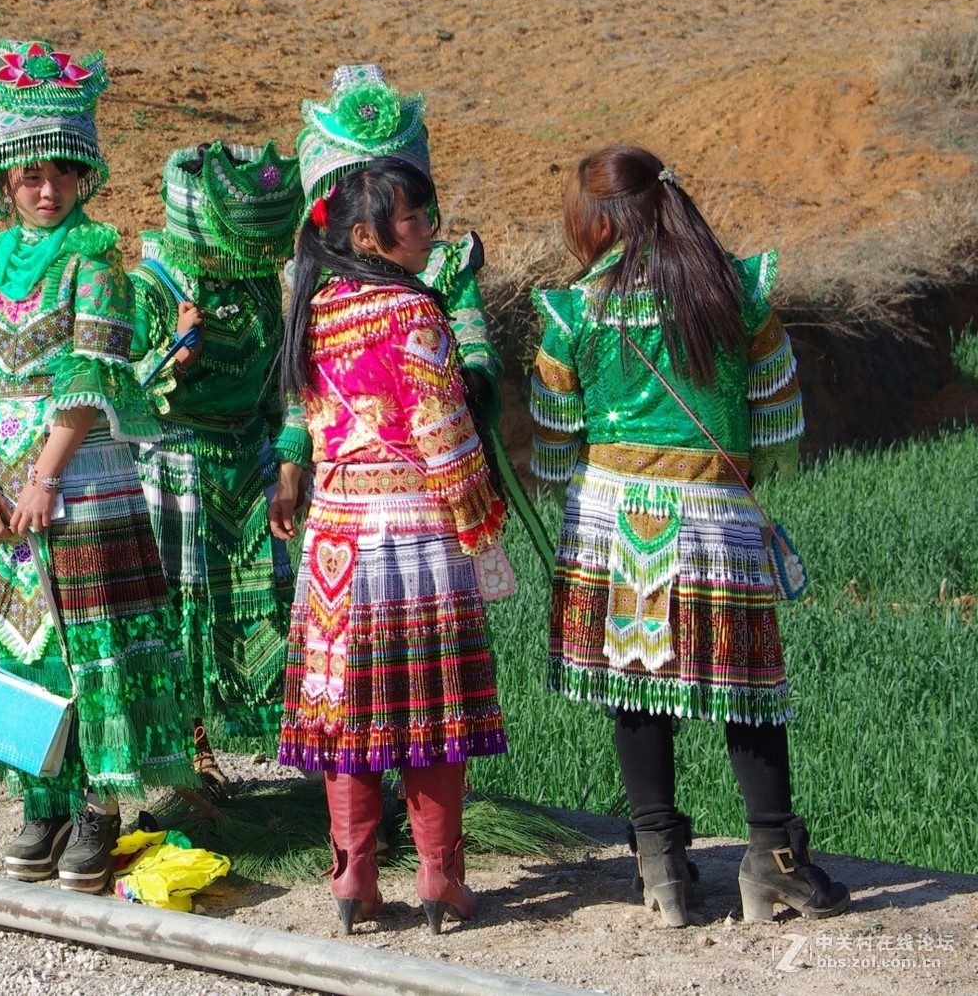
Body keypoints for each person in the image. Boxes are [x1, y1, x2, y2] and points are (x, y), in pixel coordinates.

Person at [529, 143, 849, 928]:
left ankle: (661, 863)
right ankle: (774, 860)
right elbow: (778, 412)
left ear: (604, 221)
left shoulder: (575, 313)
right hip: (716, 513)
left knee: (639, 681)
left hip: (615, 515)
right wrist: (740, 481)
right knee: (748, 690)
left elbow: (549, 436)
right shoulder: (736, 292)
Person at [0, 40, 197, 894]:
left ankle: (96, 806)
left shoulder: (97, 259)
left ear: (83, 175)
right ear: (1, 181)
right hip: (0, 480)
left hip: (77, 475)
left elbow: (90, 378)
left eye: (62, 173)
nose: (47, 190)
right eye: (30, 175)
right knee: (15, 638)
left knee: (89, 638)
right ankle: (38, 799)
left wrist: (42, 476)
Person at [272, 156, 511, 936]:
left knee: (346, 708)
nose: (429, 231)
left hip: (336, 542)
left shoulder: (315, 310)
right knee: (429, 706)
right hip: (414, 535)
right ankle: (441, 874)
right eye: (414, 219)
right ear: (369, 234)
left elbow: (312, 423)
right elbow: (444, 433)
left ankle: (354, 879)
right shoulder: (416, 314)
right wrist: (482, 518)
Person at [270, 64, 555, 575]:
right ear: (360, 226)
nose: (423, 228)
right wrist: (290, 474)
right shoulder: (363, 295)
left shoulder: (433, 271)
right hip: (414, 512)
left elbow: (476, 359)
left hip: (339, 528)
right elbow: (309, 401)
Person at [130, 140, 303, 784]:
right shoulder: (150, 287)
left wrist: (287, 459)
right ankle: (188, 748)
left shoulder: (260, 285)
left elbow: (283, 385)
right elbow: (113, 394)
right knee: (184, 611)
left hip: (246, 466)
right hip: (177, 472)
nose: (262, 261)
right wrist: (172, 360)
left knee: (259, 607)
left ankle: (285, 739)